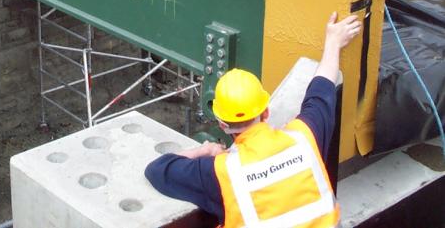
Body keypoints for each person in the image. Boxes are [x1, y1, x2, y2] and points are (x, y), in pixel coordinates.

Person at [145, 12, 362, 228]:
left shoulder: (221, 172)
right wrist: (333, 42)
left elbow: (157, 170)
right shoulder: (305, 137)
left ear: (222, 124)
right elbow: (322, 88)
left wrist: (203, 151)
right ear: (265, 112)